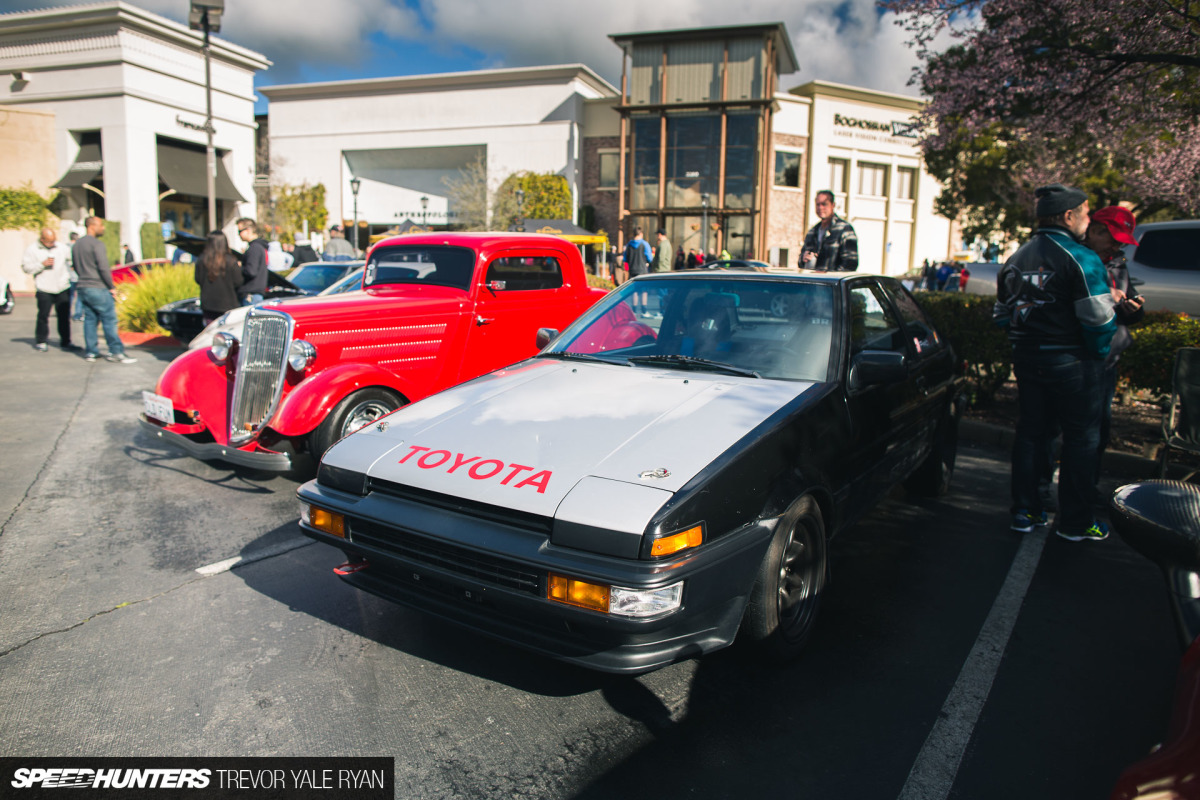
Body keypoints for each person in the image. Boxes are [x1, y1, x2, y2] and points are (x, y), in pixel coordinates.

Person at [994, 183, 1116, 541]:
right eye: (1086, 213)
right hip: (1073, 363)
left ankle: (1025, 511)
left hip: (1028, 360)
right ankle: (1075, 523)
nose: (1088, 220)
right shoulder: (1081, 257)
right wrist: (1097, 353)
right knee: (1081, 440)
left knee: (1032, 435)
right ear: (1068, 215)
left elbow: (1001, 315)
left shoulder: (1016, 257)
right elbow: (1099, 320)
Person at [1084, 206, 1145, 483]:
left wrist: (1133, 309)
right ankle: (1045, 492)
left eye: (1121, 242)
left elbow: (1127, 301)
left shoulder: (1118, 263)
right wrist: (1104, 294)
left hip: (1108, 360)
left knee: (1098, 431)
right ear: (1095, 231)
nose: (1117, 246)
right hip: (1079, 356)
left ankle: (1087, 489)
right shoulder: (1076, 258)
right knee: (1064, 429)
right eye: (1113, 238)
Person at [73, 216, 136, 364]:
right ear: (92, 226)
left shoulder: (77, 245)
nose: (103, 228)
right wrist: (111, 287)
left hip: (83, 286)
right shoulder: (97, 244)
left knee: (90, 319)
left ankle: (91, 352)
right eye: (101, 225)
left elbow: (75, 265)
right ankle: (116, 352)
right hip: (98, 287)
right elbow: (103, 267)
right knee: (109, 319)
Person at [21, 227, 77, 352]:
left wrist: (72, 269)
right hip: (44, 287)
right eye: (49, 242)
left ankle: (66, 341)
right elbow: (26, 268)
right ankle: (41, 341)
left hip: (62, 286)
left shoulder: (61, 247)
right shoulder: (32, 250)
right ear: (42, 239)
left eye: (53, 241)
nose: (52, 244)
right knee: (43, 316)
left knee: (64, 317)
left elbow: (72, 259)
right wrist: (41, 264)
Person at [195, 231, 245, 326]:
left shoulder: (201, 259)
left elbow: (197, 279)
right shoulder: (231, 260)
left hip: (208, 304)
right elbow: (238, 281)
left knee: (210, 331)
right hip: (228, 304)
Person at [799, 190, 858, 271]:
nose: (820, 208)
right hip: (814, 278)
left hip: (833, 278)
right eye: (818, 204)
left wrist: (831, 276)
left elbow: (851, 263)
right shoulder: (812, 232)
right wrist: (803, 259)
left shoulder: (844, 229)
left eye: (824, 204)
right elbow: (800, 263)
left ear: (833, 205)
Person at [235, 217, 269, 306]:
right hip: (254, 294)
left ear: (248, 230)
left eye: (240, 231)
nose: (238, 234)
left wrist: (239, 266)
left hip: (251, 295)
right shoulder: (258, 247)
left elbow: (251, 271)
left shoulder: (254, 248)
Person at [622, 227, 653, 314]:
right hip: (642, 270)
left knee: (635, 290)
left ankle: (634, 310)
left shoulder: (629, 245)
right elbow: (650, 258)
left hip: (632, 270)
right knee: (644, 290)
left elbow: (625, 258)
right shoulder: (644, 244)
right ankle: (644, 310)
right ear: (641, 234)